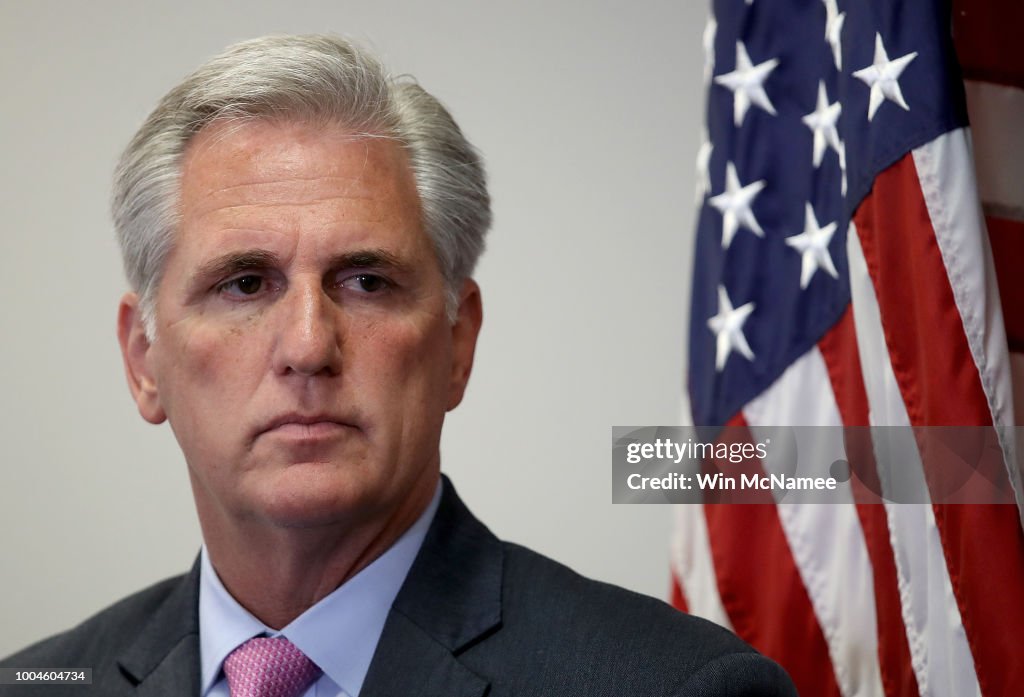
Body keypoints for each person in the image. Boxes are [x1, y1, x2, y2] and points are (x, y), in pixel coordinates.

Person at [0, 35, 796, 696]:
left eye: (366, 282)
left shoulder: (674, 688)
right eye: (244, 283)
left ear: (458, 342)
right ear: (144, 360)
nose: (309, 345)